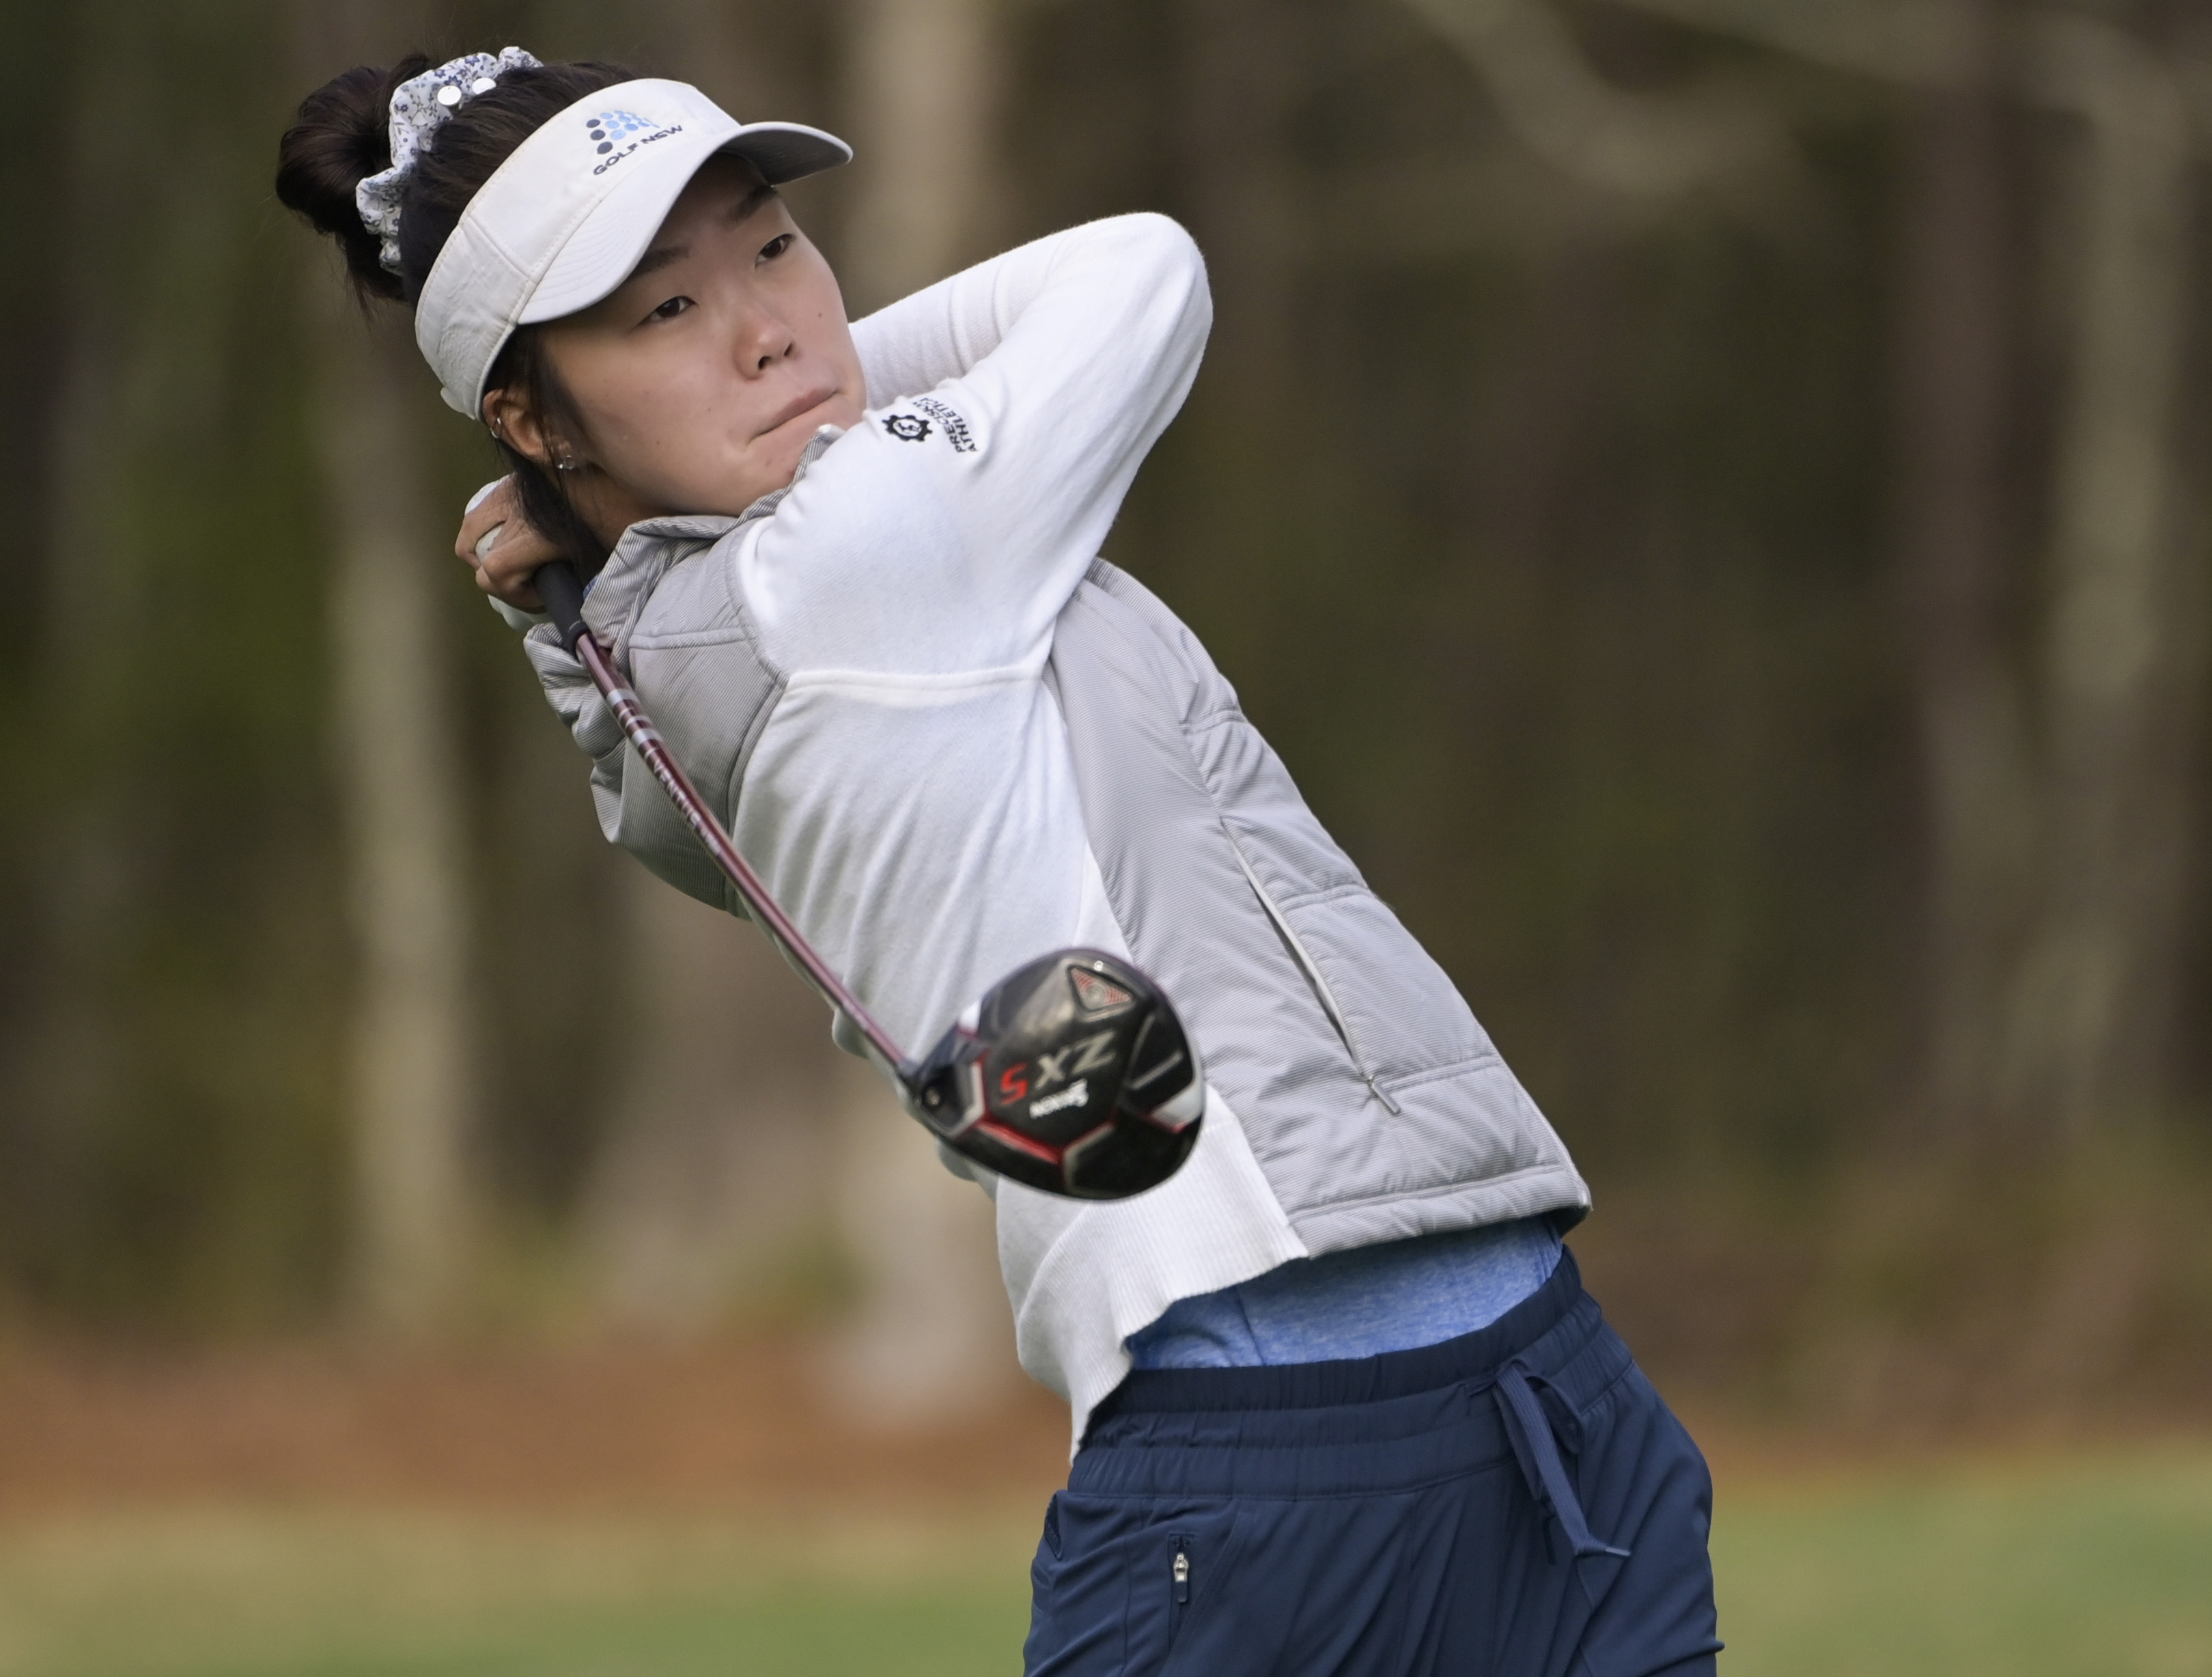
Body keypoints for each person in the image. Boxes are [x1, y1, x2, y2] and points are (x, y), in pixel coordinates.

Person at [277, 48, 1720, 1676]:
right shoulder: (846, 556)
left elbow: (646, 757)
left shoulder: (708, 620)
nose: (770, 327)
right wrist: (766, 427)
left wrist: (600, 492)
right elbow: (1143, 271)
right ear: (528, 413)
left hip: (1527, 1393)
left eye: (769, 248)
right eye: (662, 313)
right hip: (1286, 1462)